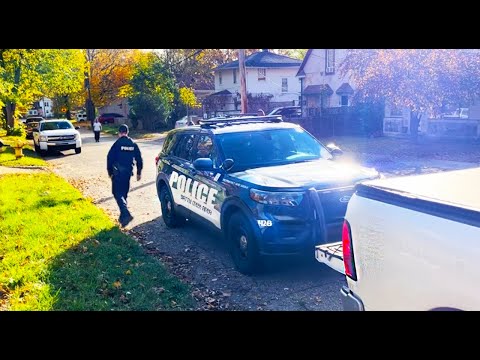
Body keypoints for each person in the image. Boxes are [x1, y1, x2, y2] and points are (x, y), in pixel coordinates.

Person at [107, 124, 143, 227]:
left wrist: (110, 172)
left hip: (117, 173)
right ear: (127, 132)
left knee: (116, 192)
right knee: (124, 193)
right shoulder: (133, 144)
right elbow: (139, 159)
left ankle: (125, 213)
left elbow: (109, 158)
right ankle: (123, 219)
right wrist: (139, 172)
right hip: (127, 173)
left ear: (119, 133)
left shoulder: (117, 144)